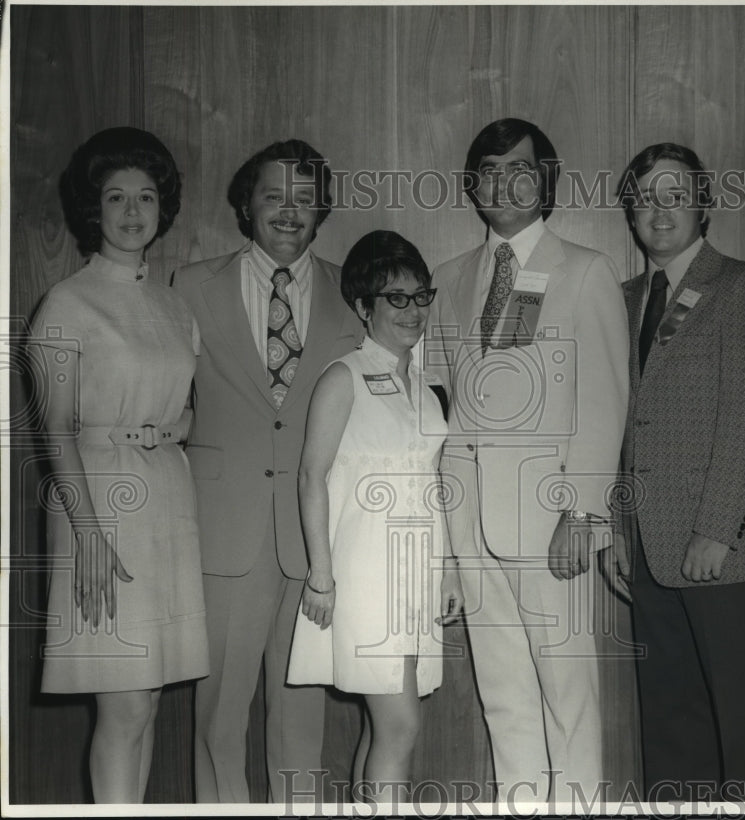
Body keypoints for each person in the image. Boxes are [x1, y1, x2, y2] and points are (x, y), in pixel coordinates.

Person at [424, 118, 629, 803]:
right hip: (471, 522)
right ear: (472, 186)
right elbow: (442, 408)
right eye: (488, 170)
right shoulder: (450, 280)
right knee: (504, 696)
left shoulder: (583, 270)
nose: (503, 183)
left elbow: (603, 399)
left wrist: (586, 513)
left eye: (519, 168)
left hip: (549, 525)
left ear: (545, 178)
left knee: (567, 693)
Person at [171, 139, 364, 803]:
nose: (290, 211)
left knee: (301, 720)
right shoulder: (191, 286)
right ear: (246, 205)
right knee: (218, 716)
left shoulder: (354, 293)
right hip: (224, 535)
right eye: (275, 195)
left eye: (305, 199)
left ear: (323, 212)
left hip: (318, 543)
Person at [602, 143, 745, 801]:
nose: (659, 209)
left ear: (702, 204)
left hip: (723, 552)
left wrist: (716, 529)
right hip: (650, 549)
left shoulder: (743, 284)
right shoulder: (620, 299)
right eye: (645, 196)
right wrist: (619, 529)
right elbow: (620, 429)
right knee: (671, 726)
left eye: (674, 194)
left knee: (742, 730)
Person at [31, 127, 208, 802]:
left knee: (150, 703)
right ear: (93, 210)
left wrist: (174, 426)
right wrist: (88, 536)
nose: (133, 212)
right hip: (103, 507)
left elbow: (186, 404)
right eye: (116, 198)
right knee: (124, 706)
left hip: (167, 496)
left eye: (145, 196)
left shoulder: (170, 302)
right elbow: (54, 433)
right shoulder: (68, 304)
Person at [286, 230, 464, 803]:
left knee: (384, 724)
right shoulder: (343, 377)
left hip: (416, 570)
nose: (413, 311)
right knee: (401, 724)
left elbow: (433, 482)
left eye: (420, 296)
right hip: (367, 575)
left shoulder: (425, 384)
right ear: (364, 307)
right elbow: (312, 477)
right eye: (395, 298)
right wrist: (321, 575)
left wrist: (449, 570)